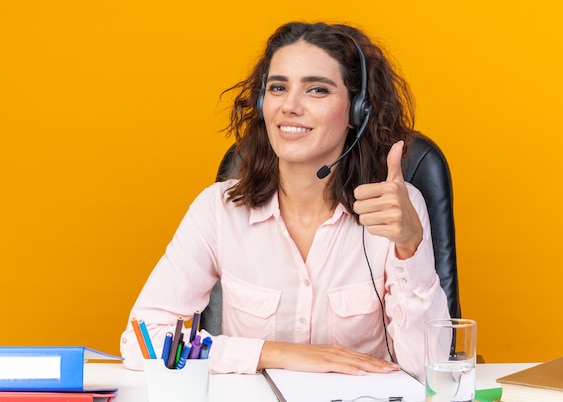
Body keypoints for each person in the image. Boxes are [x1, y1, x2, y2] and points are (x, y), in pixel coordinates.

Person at [120, 21, 450, 380]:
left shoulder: (395, 210)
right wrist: (277, 353)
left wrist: (409, 246)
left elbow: (429, 367)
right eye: (278, 87)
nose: (289, 106)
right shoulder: (217, 209)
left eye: (317, 90)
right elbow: (142, 341)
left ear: (358, 111)